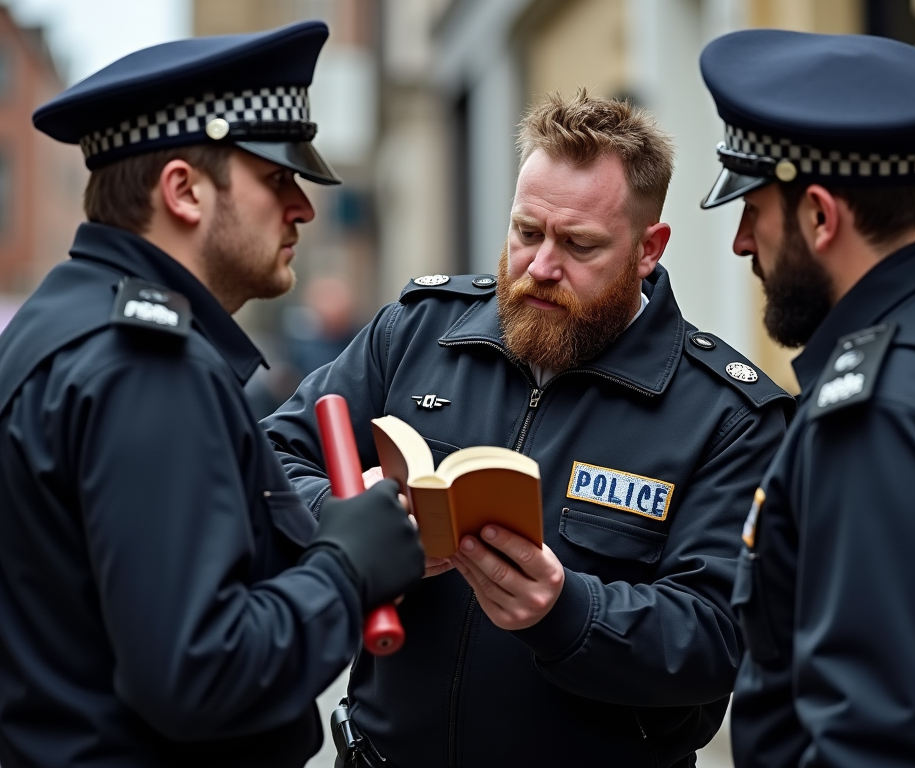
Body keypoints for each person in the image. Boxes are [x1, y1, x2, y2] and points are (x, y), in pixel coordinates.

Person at [263, 90, 793, 768]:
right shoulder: (421, 330)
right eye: (526, 232)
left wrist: (568, 611)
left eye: (579, 245)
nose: (541, 268)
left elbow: (720, 638)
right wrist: (345, 522)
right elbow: (272, 459)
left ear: (648, 249)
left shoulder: (725, 415)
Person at [0, 22, 424, 768]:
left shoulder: (57, 326)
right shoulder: (146, 366)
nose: (303, 208)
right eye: (276, 178)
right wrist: (346, 568)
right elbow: (198, 671)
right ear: (184, 191)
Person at [698, 30, 915, 768]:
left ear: (820, 215)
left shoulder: (882, 416)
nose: (742, 244)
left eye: (753, 209)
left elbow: (878, 746)